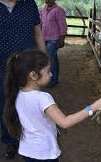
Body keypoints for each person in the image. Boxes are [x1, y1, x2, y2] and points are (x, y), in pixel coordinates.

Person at [4, 49, 101, 162]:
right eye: (48, 71)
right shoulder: (43, 98)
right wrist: (93, 107)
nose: (51, 74)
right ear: (33, 75)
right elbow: (64, 122)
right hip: (45, 153)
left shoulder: (17, 93)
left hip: (28, 151)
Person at [0, 0, 46, 159]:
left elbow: (38, 33)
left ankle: (32, 139)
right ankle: (11, 141)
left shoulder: (29, 4)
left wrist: (45, 60)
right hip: (2, 69)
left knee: (30, 103)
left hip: (29, 68)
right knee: (6, 105)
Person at [40, 0, 67, 87]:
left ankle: (53, 79)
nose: (47, 0)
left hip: (54, 39)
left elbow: (63, 25)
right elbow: (40, 24)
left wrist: (62, 39)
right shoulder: (43, 10)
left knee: (50, 58)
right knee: (52, 58)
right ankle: (53, 78)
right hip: (44, 38)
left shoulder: (58, 10)